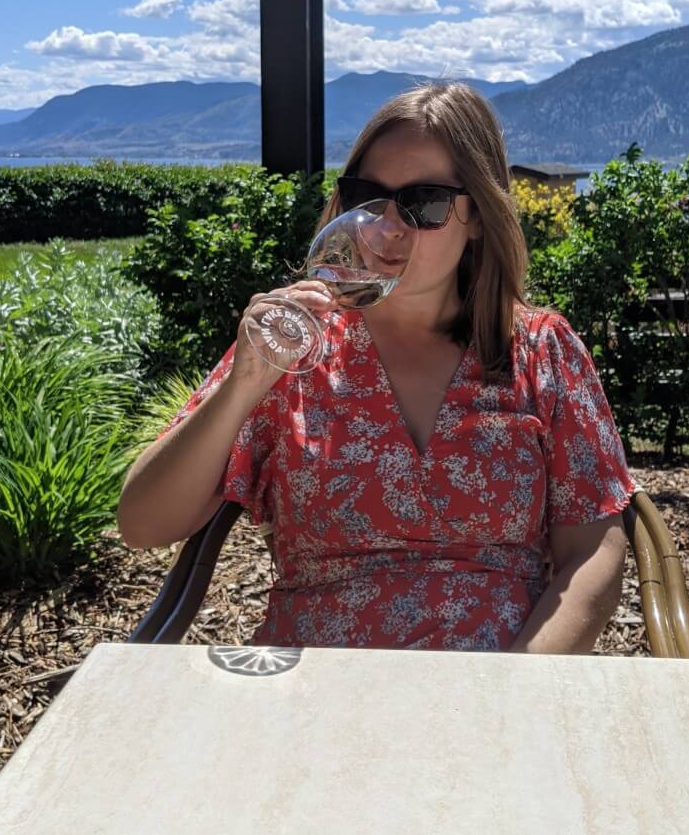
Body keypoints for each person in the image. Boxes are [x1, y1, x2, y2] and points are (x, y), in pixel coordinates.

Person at [117, 82, 635, 653]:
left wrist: (512, 694)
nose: (388, 226)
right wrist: (241, 389)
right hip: (321, 692)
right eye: (367, 197)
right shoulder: (294, 349)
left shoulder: (539, 351)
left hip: (496, 697)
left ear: (480, 216)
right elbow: (143, 524)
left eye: (426, 203)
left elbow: (593, 552)